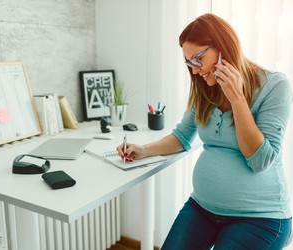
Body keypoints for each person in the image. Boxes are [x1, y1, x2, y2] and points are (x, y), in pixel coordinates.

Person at [117, 13, 292, 249]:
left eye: (198, 58)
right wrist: (143, 149)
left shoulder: (275, 86)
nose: (195, 70)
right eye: (189, 62)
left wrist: (237, 98)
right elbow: (181, 136)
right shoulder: (204, 88)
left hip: (260, 218)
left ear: (224, 47)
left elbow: (260, 160)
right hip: (203, 208)